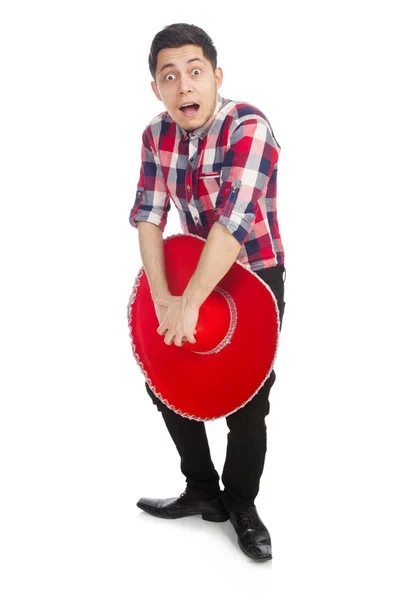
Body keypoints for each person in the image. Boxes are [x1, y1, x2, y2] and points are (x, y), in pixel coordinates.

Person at [129, 23, 286, 561]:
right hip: (182, 277)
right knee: (167, 381)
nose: (183, 86)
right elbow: (150, 216)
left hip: (251, 275)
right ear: (157, 88)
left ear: (216, 76)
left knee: (247, 402)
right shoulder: (155, 134)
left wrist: (188, 301)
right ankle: (202, 491)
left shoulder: (250, 127)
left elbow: (233, 223)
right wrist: (163, 300)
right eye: (169, 76)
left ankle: (242, 504)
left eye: (194, 72)